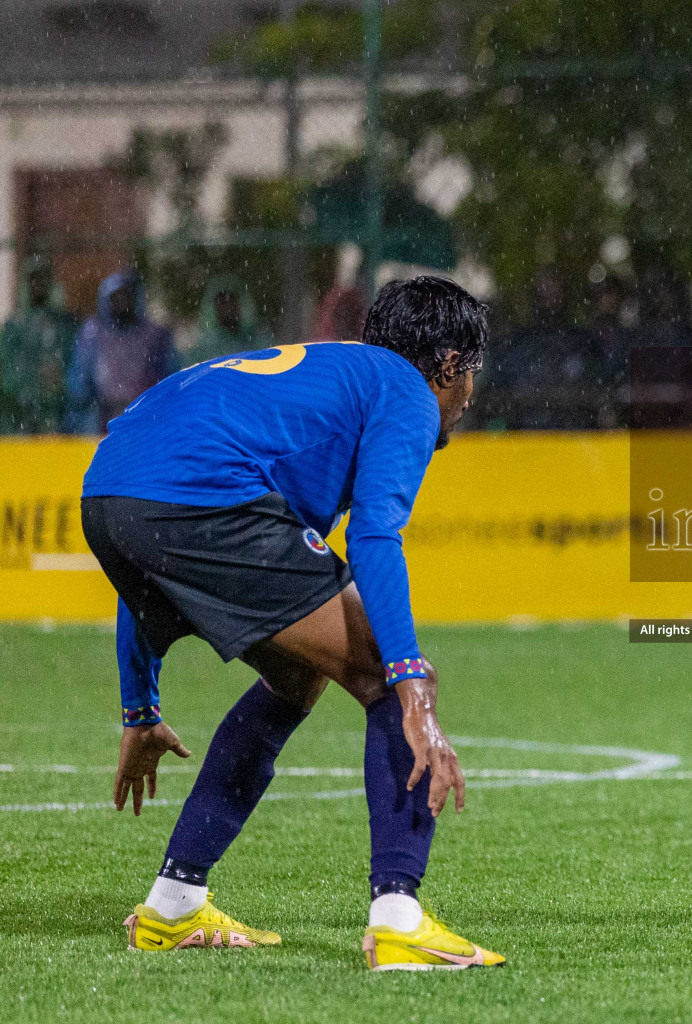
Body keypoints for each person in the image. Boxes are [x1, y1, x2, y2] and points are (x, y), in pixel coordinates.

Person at [79, 276, 504, 970]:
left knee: (299, 673)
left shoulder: (327, 381)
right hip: (197, 496)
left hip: (105, 489)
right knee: (375, 669)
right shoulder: (404, 388)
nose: (471, 397)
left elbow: (145, 565)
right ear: (449, 363)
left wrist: (140, 707)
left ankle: (172, 906)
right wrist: (409, 680)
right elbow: (373, 538)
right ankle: (399, 921)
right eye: (471, 374)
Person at [67, 269, 178, 432]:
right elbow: (79, 383)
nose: (122, 302)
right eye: (116, 297)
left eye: (126, 296)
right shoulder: (92, 334)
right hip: (102, 420)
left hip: (145, 417)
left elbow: (171, 377)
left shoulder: (155, 336)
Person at [0, 256, 78, 432]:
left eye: (43, 279)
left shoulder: (65, 325)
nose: (38, 285)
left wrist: (60, 383)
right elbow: (7, 373)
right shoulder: (14, 326)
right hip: (19, 411)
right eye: (34, 280)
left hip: (55, 410)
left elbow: (74, 365)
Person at [182, 275, 275, 367]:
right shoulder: (201, 349)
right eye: (222, 303)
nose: (227, 308)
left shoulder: (259, 342)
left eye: (232, 301)